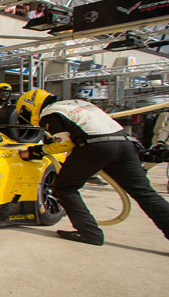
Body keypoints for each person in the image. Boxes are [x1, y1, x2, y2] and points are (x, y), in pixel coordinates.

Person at [16, 89, 169, 245]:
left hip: (96, 146)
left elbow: (64, 144)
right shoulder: (79, 104)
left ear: (29, 107)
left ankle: (90, 233)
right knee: (145, 193)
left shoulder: (50, 113)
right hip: (125, 144)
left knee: (64, 188)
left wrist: (36, 151)